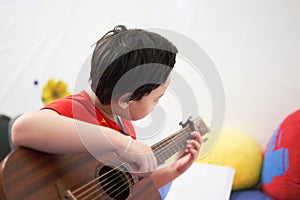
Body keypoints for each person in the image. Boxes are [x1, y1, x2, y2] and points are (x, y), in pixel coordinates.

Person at [11, 25, 202, 196]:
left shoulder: (125, 126)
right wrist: (121, 143)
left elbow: (121, 190)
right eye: (156, 98)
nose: (157, 104)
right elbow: (21, 128)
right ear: (126, 99)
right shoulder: (77, 109)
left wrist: (173, 170)